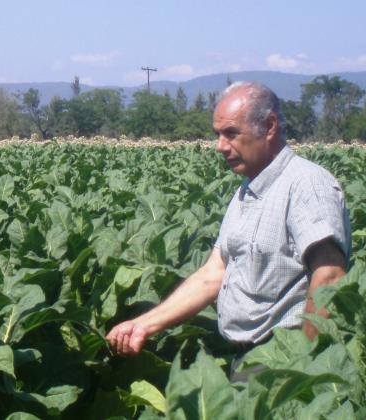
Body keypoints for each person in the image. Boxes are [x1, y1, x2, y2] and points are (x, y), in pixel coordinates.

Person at [106, 81, 350, 378]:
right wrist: (144, 324)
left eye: (231, 133)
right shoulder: (246, 192)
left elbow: (329, 278)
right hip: (249, 360)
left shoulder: (306, 184)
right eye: (218, 134)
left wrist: (306, 371)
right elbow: (213, 274)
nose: (220, 146)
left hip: (283, 362)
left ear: (269, 126)